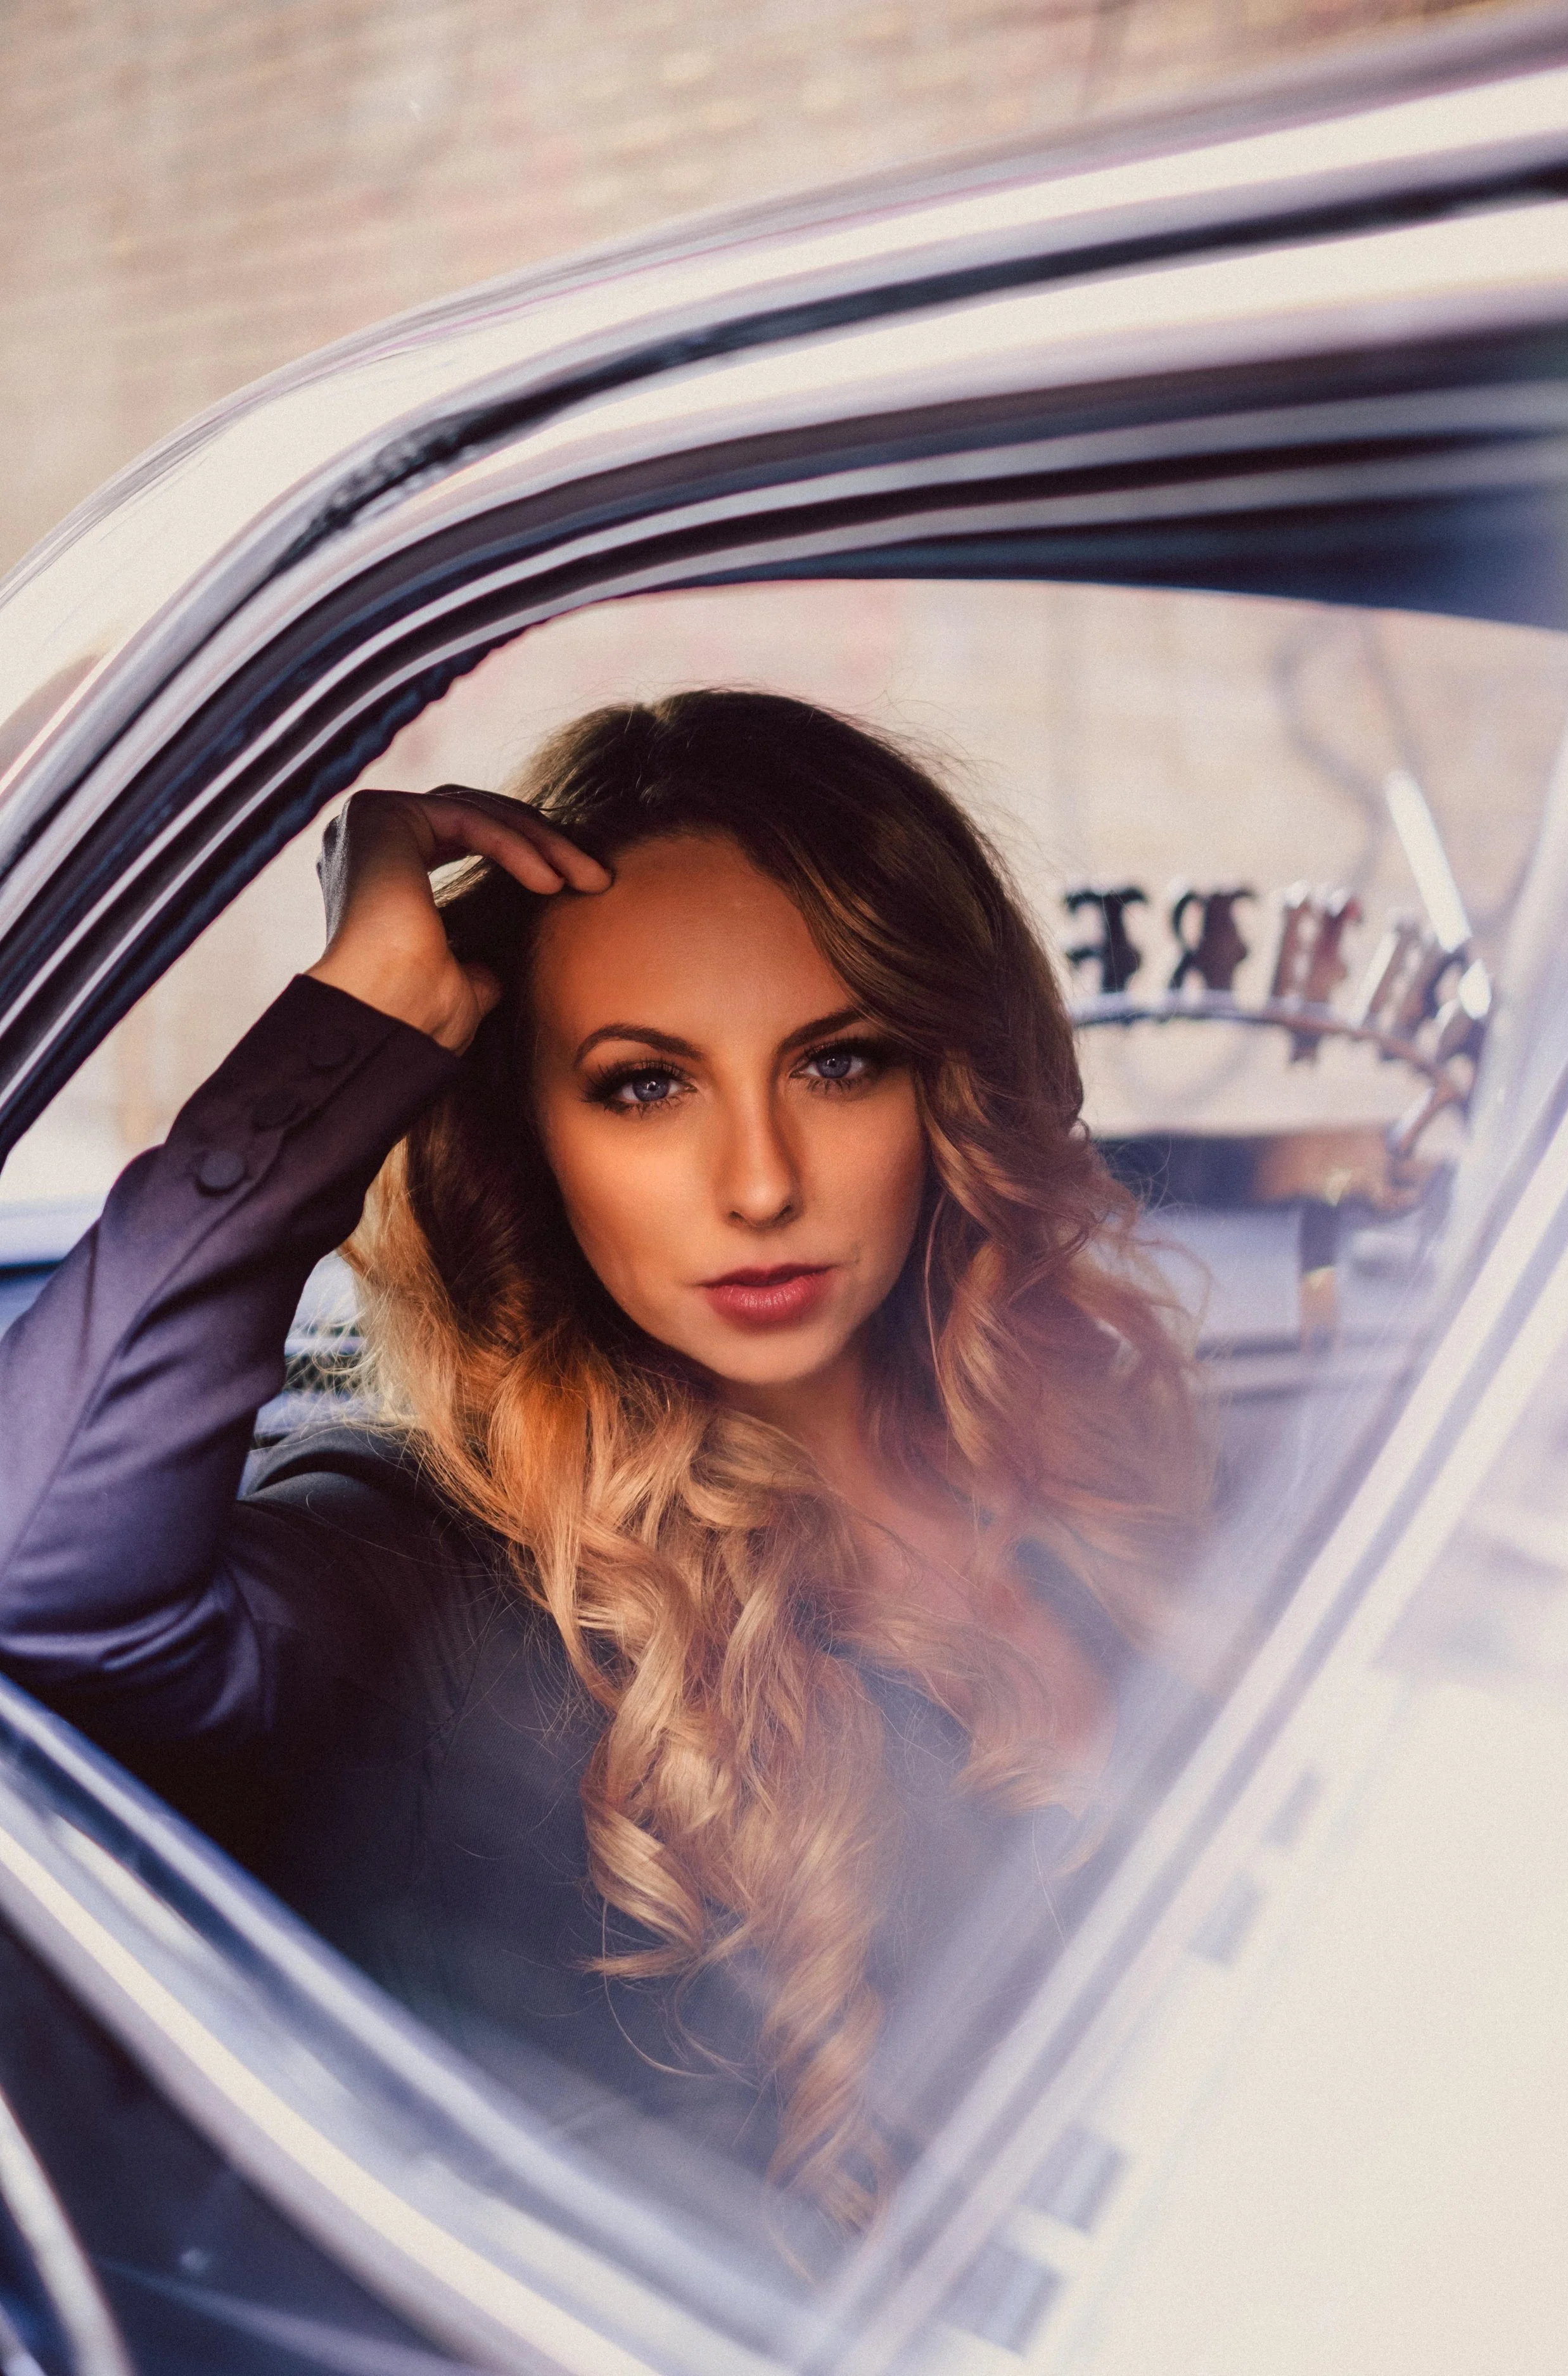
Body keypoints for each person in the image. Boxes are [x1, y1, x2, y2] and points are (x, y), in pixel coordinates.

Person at [0, 691, 1203, 2231]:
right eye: (644, 1084)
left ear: (949, 1085)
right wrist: (350, 1028)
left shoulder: (1089, 1464)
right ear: (527, 1136)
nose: (757, 1183)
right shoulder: (436, 1571)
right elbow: (38, 1596)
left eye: (837, 1063)